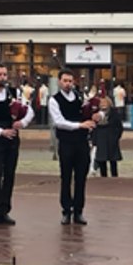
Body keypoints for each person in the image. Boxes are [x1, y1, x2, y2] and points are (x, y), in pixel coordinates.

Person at [0, 63, 34, 225]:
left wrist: (22, 123)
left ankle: (5, 210)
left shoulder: (15, 93)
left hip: (13, 139)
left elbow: (29, 111)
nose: (2, 78)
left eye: (4, 74)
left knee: (9, 174)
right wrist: (1, 131)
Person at [50, 69, 96, 224]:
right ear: (59, 81)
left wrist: (97, 116)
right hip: (66, 143)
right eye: (65, 80)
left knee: (81, 178)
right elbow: (59, 122)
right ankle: (66, 211)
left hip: (82, 143)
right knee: (66, 177)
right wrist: (80, 125)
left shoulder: (80, 97)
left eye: (70, 81)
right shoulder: (54, 100)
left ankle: (78, 211)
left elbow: (90, 114)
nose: (68, 84)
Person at [93, 96, 122, 176]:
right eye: (101, 103)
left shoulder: (114, 113)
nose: (103, 104)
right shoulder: (96, 113)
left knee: (113, 161)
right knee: (102, 160)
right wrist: (94, 140)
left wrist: (116, 137)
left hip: (111, 139)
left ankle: (114, 177)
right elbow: (94, 127)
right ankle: (103, 177)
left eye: (105, 102)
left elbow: (119, 126)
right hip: (101, 139)